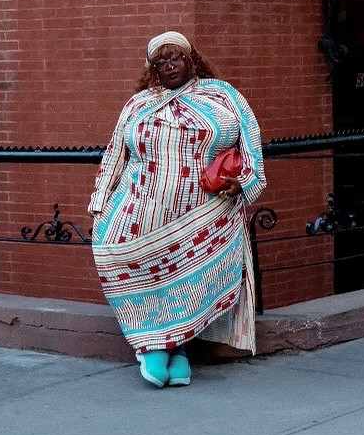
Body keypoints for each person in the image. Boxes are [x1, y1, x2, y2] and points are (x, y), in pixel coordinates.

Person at [88, 32, 266, 388]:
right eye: (162, 62)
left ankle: (175, 349)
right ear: (153, 69)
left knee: (188, 277)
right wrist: (99, 202)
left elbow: (251, 148)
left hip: (204, 211)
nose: (170, 66)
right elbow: (115, 155)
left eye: (176, 58)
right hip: (143, 206)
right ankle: (156, 344)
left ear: (191, 59)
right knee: (117, 257)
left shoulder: (223, 96)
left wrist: (244, 183)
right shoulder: (138, 104)